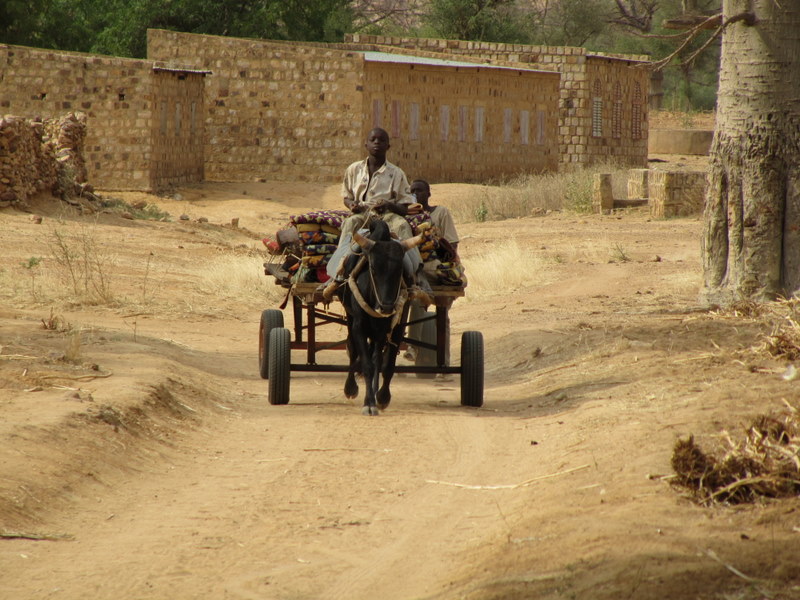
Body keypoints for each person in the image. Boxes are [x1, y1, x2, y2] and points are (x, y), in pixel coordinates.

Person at [323, 127, 427, 300]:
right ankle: (339, 273)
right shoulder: (353, 169)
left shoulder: (396, 173)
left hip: (387, 215)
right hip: (363, 214)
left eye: (381, 140)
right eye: (373, 140)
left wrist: (388, 205)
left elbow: (405, 207)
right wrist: (352, 205)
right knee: (349, 224)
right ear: (366, 144)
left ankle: (416, 273)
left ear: (388, 146)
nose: (377, 143)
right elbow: (347, 197)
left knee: (402, 225)